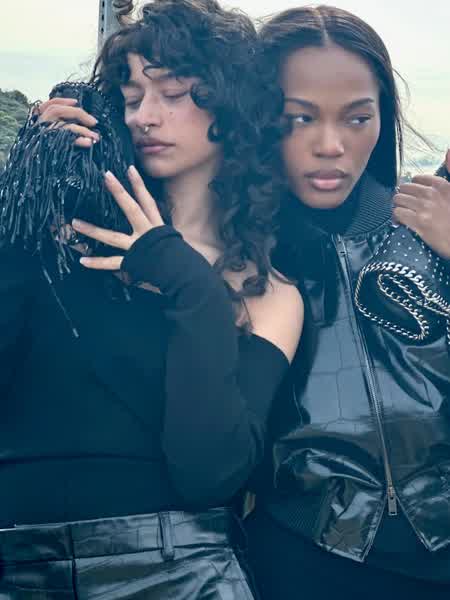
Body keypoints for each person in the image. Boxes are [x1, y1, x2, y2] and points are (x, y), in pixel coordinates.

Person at [0, 1, 302, 598]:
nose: (144, 116)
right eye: (132, 96)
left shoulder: (266, 291)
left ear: (232, 104)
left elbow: (209, 474)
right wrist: (24, 195)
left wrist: (192, 286)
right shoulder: (66, 234)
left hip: (178, 570)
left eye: (174, 92)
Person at [243, 5, 450, 599]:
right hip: (300, 555)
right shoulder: (237, 242)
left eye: (358, 118)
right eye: (297, 118)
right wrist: (62, 122)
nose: (330, 146)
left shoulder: (430, 226)